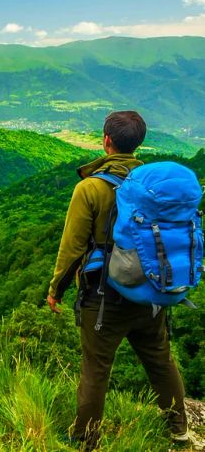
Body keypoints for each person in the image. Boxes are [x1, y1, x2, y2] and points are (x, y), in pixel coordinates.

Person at [46, 111, 189, 450]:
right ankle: (180, 430)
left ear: (105, 140)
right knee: (160, 360)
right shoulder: (154, 186)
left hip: (104, 296)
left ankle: (85, 439)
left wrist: (56, 290)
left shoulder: (91, 187)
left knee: (96, 368)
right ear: (139, 142)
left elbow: (72, 248)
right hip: (153, 291)